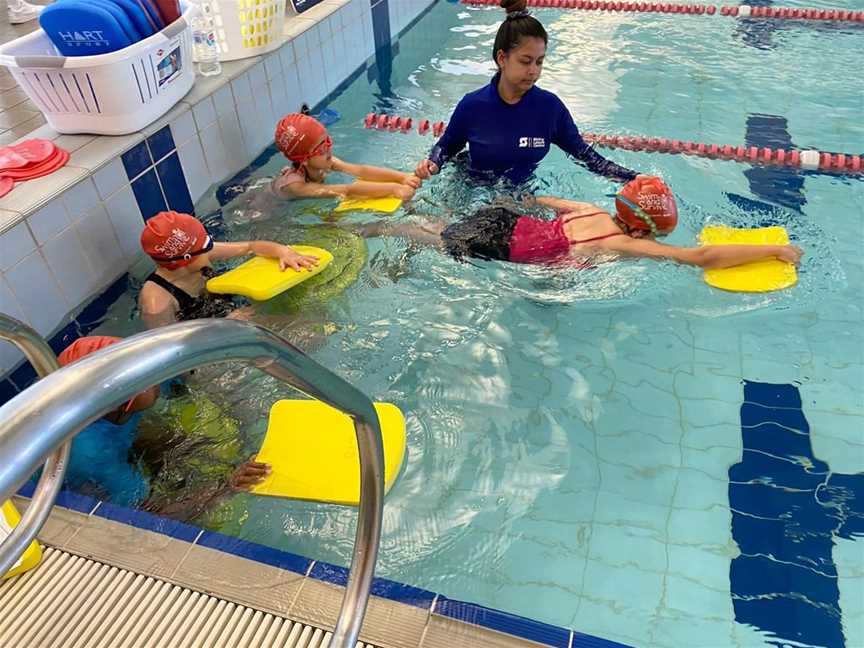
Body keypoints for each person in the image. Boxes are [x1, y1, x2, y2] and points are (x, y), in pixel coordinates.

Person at [359, 176, 804, 270]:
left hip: (501, 219)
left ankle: (401, 219)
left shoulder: (593, 210)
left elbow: (541, 199)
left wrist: (519, 201)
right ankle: (376, 230)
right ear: (643, 230)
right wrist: (775, 249)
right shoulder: (620, 242)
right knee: (421, 237)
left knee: (442, 225)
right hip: (508, 249)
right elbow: (700, 257)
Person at [414, 0, 639, 185]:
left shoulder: (549, 108)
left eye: (539, 62)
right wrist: (432, 163)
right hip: (470, 189)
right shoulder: (473, 106)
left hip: (521, 196)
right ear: (502, 58)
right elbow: (447, 145)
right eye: (525, 61)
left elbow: (586, 156)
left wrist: (633, 178)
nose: (533, 71)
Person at [55, 336, 271, 515]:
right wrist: (228, 486)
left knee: (176, 442)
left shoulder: (126, 402)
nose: (155, 378)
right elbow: (149, 514)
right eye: (145, 378)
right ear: (113, 401)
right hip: (83, 492)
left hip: (119, 438)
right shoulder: (91, 453)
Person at [138, 210, 319, 329]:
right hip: (212, 346)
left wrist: (284, 252)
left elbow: (251, 246)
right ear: (184, 260)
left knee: (311, 328)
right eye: (206, 245)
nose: (211, 248)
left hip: (233, 317)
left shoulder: (198, 255)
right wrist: (224, 325)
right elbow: (171, 350)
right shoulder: (156, 301)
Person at [272, 113, 422, 201]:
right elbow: (345, 190)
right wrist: (393, 188)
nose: (329, 149)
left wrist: (401, 177)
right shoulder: (295, 186)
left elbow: (360, 170)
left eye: (327, 141)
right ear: (304, 159)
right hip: (268, 208)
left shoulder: (324, 161)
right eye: (322, 148)